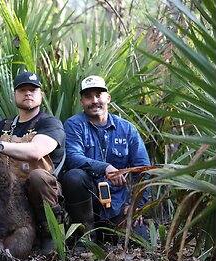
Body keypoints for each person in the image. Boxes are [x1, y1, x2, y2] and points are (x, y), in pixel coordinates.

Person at [60, 75, 151, 247]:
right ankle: (85, 238)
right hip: (87, 205)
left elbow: (143, 169)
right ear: (81, 101)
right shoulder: (74, 125)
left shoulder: (127, 129)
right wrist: (105, 168)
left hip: (117, 204)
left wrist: (136, 205)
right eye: (88, 96)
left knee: (140, 243)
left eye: (98, 95)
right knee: (74, 176)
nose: (94, 101)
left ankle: (107, 232)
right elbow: (72, 158)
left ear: (108, 98)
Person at [0, 71, 66, 255]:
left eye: (33, 89)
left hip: (40, 193)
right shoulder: (2, 127)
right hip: (9, 194)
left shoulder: (50, 123)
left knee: (38, 176)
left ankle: (50, 233)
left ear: (41, 94)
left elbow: (36, 152)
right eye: (22, 90)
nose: (28, 93)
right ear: (14, 95)